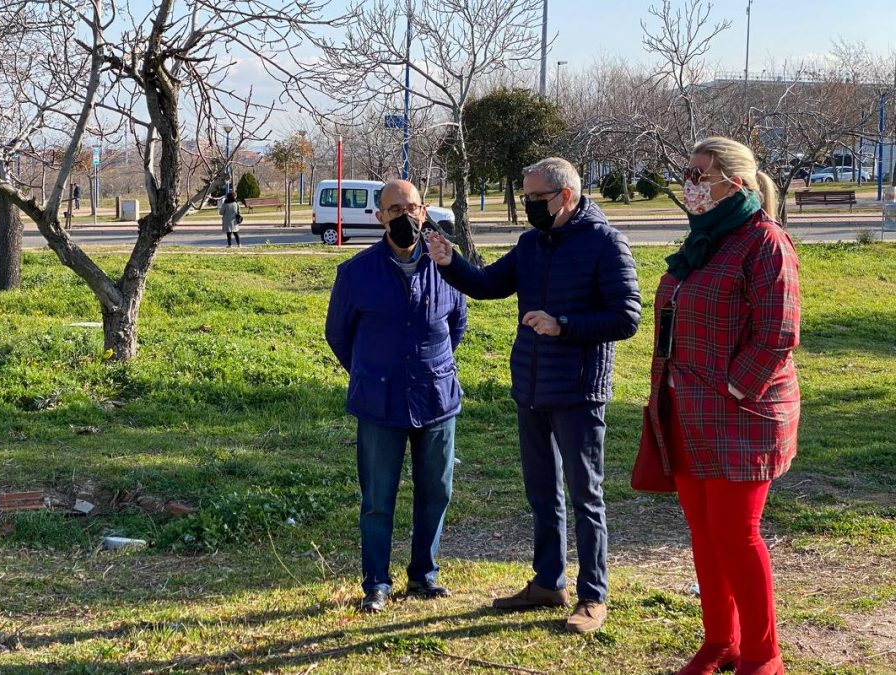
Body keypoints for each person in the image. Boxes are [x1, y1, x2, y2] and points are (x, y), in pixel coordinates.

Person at [427, 157, 641, 633]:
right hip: (531, 386)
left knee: (585, 496)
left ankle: (593, 595)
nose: (528, 207)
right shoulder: (531, 244)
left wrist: (562, 326)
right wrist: (450, 262)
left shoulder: (605, 244)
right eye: (524, 198)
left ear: (566, 196)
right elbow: (487, 285)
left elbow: (626, 317)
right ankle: (548, 582)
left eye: (535, 199)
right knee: (542, 495)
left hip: (579, 390)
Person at [643, 137, 800, 675]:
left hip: (743, 415)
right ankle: (720, 641)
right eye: (687, 172)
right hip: (685, 409)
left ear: (734, 181)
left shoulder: (764, 241)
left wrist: (734, 389)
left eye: (700, 174)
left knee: (737, 534)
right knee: (706, 536)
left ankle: (762, 656)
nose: (690, 183)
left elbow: (778, 334)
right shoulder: (703, 240)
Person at [325, 179, 467, 613]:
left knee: (436, 491)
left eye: (412, 207)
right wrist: (371, 371)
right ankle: (376, 584)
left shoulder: (447, 266)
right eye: (394, 209)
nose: (404, 216)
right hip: (379, 403)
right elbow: (338, 334)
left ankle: (424, 575)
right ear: (380, 216)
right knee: (378, 499)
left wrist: (429, 369)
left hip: (437, 399)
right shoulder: (356, 272)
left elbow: (456, 325)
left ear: (423, 211)